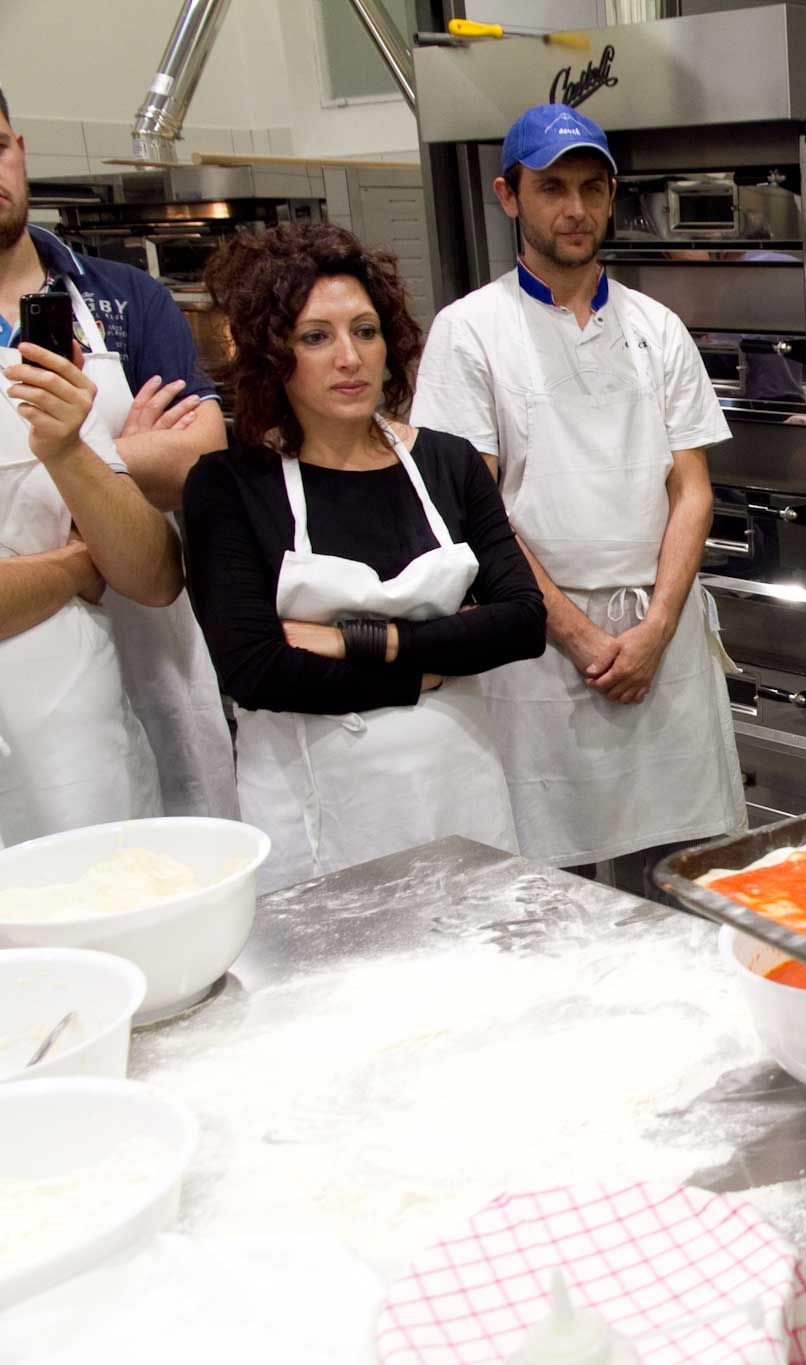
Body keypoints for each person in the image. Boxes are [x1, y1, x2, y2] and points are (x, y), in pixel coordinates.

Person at [410, 104, 743, 879]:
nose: (575, 209)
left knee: (690, 875)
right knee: (553, 882)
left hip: (664, 642)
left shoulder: (657, 328)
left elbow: (691, 489)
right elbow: (477, 512)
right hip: (545, 650)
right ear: (508, 195)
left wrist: (657, 628)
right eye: (552, 187)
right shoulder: (469, 333)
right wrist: (583, 638)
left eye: (593, 188)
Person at [182, 224, 546, 891]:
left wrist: (358, 638)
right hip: (316, 820)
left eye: (366, 331)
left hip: (458, 796)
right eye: (316, 336)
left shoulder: (447, 462)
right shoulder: (230, 486)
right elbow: (257, 669)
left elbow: (522, 622)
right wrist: (425, 672)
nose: (349, 357)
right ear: (273, 353)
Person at [0, 88, 237, 820]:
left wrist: (86, 453)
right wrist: (87, 540)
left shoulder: (118, 299)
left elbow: (204, 458)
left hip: (150, 659)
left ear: (21, 149)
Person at [1, 338, 184, 842]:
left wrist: (66, 449)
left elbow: (153, 576)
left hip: (83, 764)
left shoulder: (36, 386)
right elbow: (103, 562)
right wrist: (76, 565)